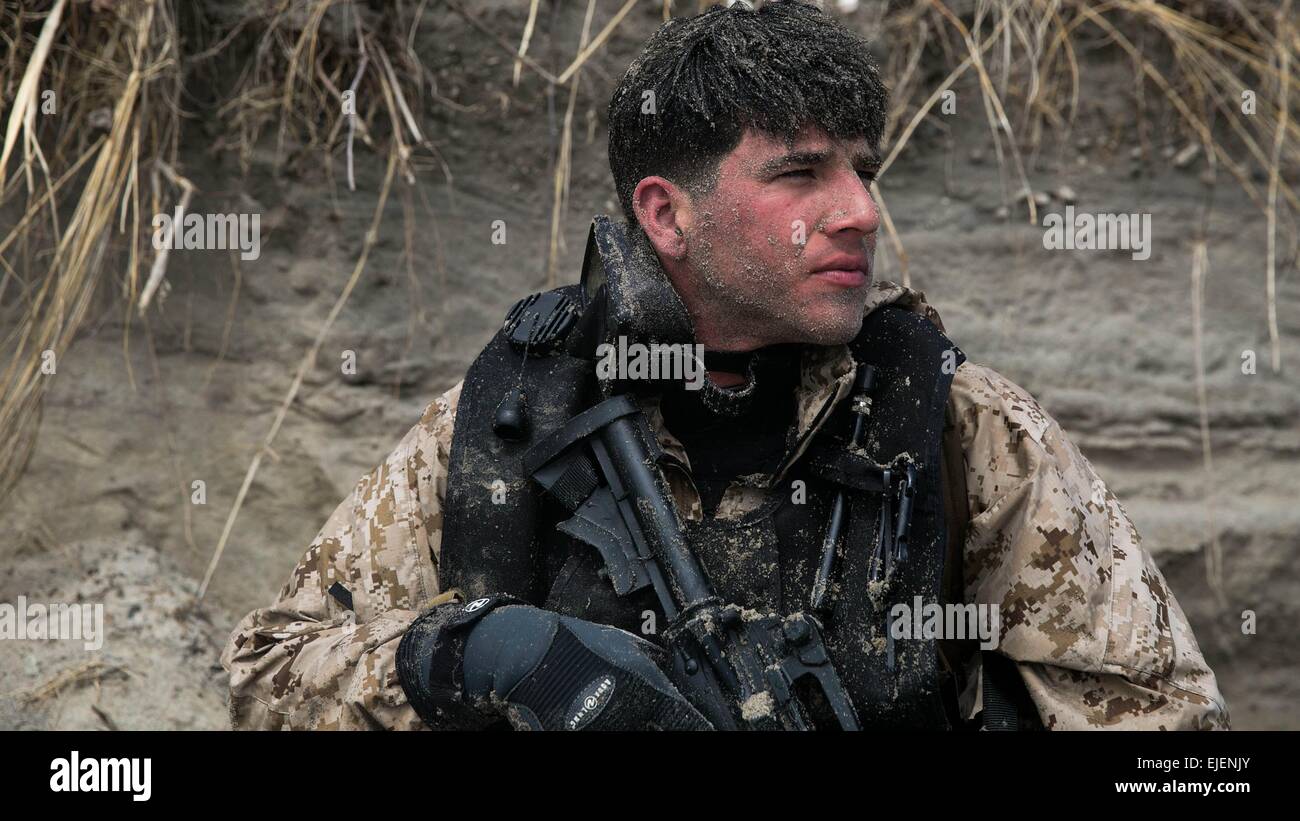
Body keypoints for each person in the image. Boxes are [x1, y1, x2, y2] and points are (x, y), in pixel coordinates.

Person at [220, 0, 1228, 731]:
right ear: (666, 213)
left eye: (863, 170)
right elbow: (266, 673)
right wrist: (490, 652)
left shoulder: (957, 425)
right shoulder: (516, 413)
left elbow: (1171, 732)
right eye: (800, 172)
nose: (859, 210)